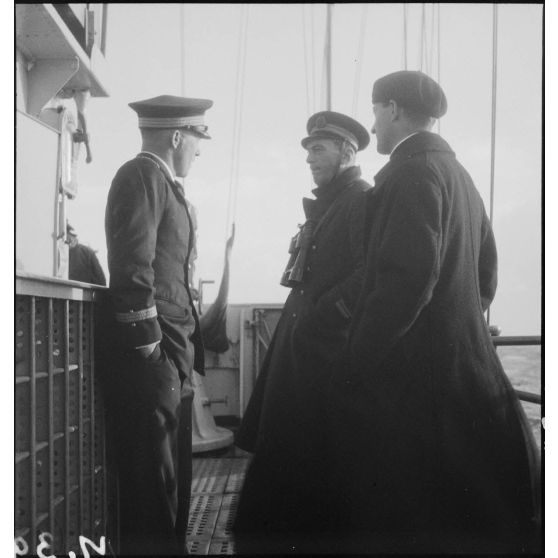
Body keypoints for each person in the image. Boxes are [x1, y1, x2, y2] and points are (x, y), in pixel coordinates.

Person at [327, 71, 541, 554]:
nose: (374, 124)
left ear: (396, 110)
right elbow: (486, 275)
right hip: (466, 378)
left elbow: (405, 283)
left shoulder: (411, 173)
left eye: (376, 111)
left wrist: (355, 364)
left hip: (414, 392)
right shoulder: (459, 176)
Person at [233, 111, 372, 553]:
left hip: (322, 354)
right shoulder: (334, 201)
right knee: (287, 452)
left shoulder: (360, 200)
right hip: (302, 348)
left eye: (318, 149)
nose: (310, 158)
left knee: (307, 457)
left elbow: (368, 272)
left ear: (347, 152)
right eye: (309, 150)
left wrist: (322, 319)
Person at [102, 95, 212, 555]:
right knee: (153, 484)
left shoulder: (162, 183)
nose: (199, 150)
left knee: (170, 478)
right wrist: (151, 351)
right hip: (156, 358)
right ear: (175, 137)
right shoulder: (142, 176)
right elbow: (132, 270)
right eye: (198, 138)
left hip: (173, 354)